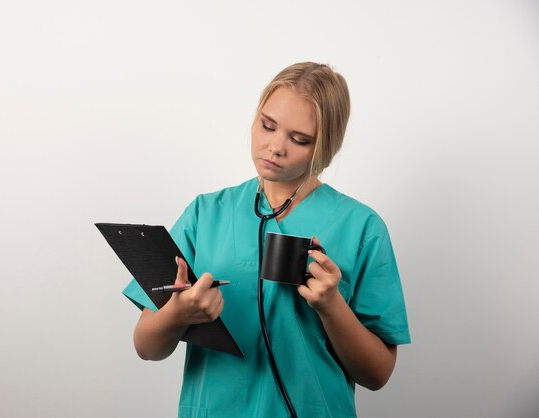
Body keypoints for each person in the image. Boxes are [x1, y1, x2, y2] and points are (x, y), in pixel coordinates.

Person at [123, 62, 411, 418]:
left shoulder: (362, 228)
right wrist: (178, 314)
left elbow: (378, 373)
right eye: (267, 126)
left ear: (326, 145)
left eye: (299, 139)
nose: (275, 147)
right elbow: (146, 346)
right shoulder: (205, 213)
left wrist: (331, 305)